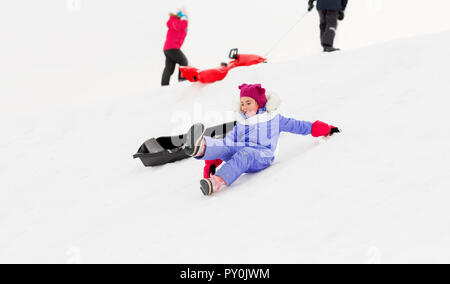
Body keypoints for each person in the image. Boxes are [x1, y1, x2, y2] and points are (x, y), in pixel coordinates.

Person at [183, 84, 341, 196]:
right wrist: (213, 161)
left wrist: (326, 129)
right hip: (243, 149)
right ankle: (201, 147)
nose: (244, 107)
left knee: (246, 153)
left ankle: (217, 182)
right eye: (242, 103)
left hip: (263, 155)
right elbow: (228, 143)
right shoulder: (242, 122)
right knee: (228, 145)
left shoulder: (274, 119)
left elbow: (300, 126)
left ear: (260, 103)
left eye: (248, 103)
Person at [161, 9, 189, 86]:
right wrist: (185, 21)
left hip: (169, 48)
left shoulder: (176, 22)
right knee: (183, 61)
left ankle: (164, 85)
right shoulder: (175, 21)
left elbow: (181, 31)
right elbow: (179, 26)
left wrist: (185, 27)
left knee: (169, 68)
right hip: (172, 48)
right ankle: (182, 80)